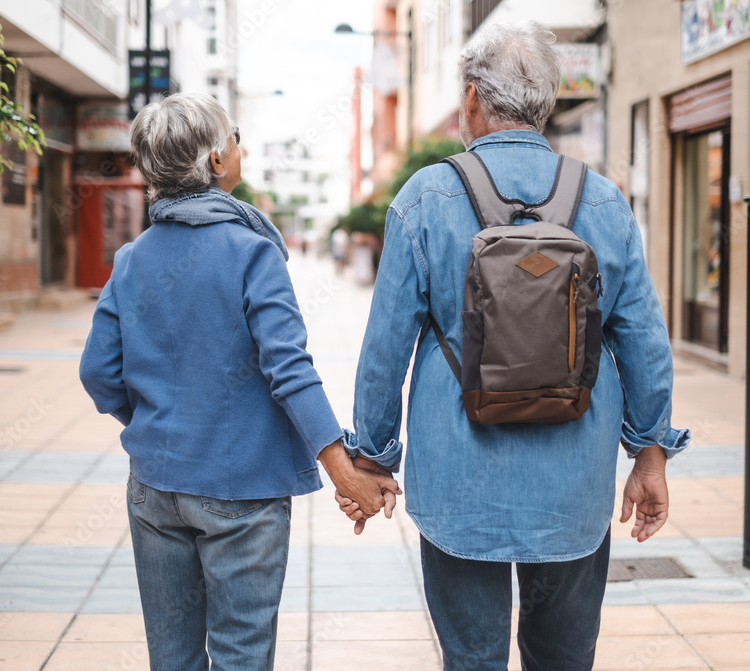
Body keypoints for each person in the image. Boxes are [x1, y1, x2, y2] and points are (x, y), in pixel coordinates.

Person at [336, 22, 690, 671]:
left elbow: (385, 346)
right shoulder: (603, 200)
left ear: (473, 98)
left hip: (458, 479)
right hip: (573, 481)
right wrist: (650, 451)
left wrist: (374, 456)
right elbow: (643, 337)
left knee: (471, 655)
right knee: (563, 656)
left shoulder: (426, 196)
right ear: (549, 101)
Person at [79, 93, 398, 671]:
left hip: (154, 486)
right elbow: (290, 370)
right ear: (217, 162)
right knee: (241, 656)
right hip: (240, 492)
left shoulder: (130, 260)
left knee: (172, 659)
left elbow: (98, 373)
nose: (239, 145)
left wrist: (158, 419)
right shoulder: (252, 253)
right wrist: (344, 470)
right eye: (235, 136)